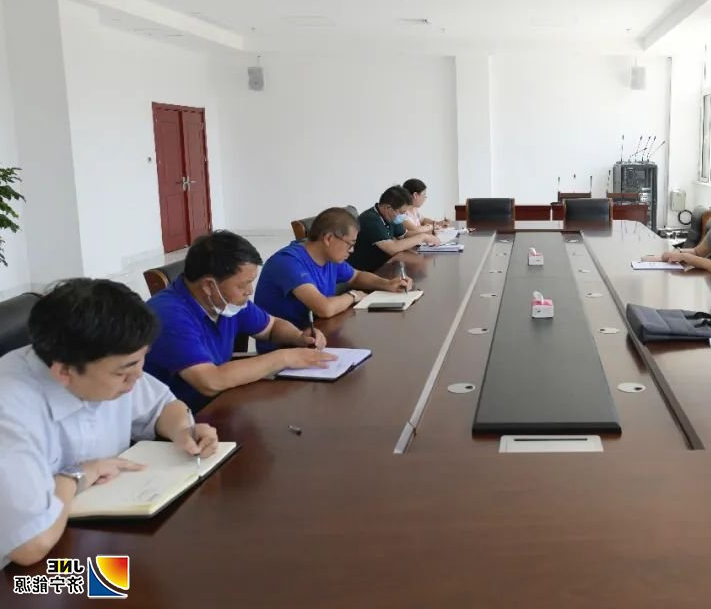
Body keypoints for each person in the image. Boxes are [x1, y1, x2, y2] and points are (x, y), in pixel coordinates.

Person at [0, 279, 219, 567]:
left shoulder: (104, 361)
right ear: (64, 371)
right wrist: (76, 476)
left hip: (98, 539)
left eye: (141, 361)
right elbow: (29, 545)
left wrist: (182, 430)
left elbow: (162, 405)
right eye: (124, 372)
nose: (137, 377)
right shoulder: (10, 412)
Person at [145, 231, 336, 412]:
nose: (250, 291)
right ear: (209, 286)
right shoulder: (169, 315)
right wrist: (284, 358)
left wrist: (298, 337)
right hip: (179, 421)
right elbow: (210, 381)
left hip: (222, 403)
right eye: (243, 285)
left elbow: (271, 327)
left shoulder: (225, 302)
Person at [253, 207, 412, 351]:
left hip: (318, 337)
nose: (352, 250)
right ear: (329, 238)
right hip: (286, 348)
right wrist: (353, 295)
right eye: (350, 244)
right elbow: (324, 308)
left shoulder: (329, 258)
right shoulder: (289, 262)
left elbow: (356, 276)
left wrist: (387, 284)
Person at [349, 185, 439, 273]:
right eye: (402, 212)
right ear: (388, 208)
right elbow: (392, 248)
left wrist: (428, 235)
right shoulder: (370, 219)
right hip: (366, 272)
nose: (403, 216)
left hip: (386, 266)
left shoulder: (389, 217)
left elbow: (405, 235)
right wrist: (422, 237)